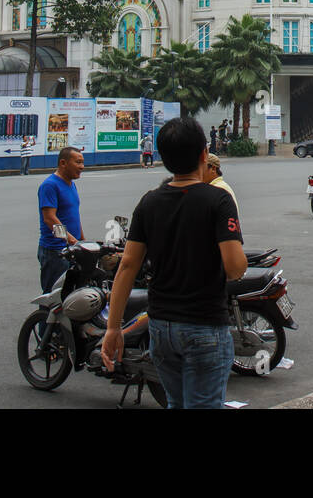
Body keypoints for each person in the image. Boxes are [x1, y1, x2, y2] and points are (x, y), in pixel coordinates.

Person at [102, 117, 247, 409]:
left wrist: (113, 328)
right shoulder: (218, 200)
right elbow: (235, 268)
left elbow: (128, 266)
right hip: (204, 325)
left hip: (161, 328)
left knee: (176, 403)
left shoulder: (149, 202)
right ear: (204, 154)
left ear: (162, 157)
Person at [37, 147, 84, 292]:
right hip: (55, 252)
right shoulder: (50, 185)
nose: (82, 167)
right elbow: (49, 219)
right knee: (53, 297)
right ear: (63, 163)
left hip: (71, 249)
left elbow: (74, 215)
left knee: (71, 295)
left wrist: (82, 241)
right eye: (78, 162)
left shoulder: (71, 184)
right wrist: (72, 240)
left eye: (82, 162)